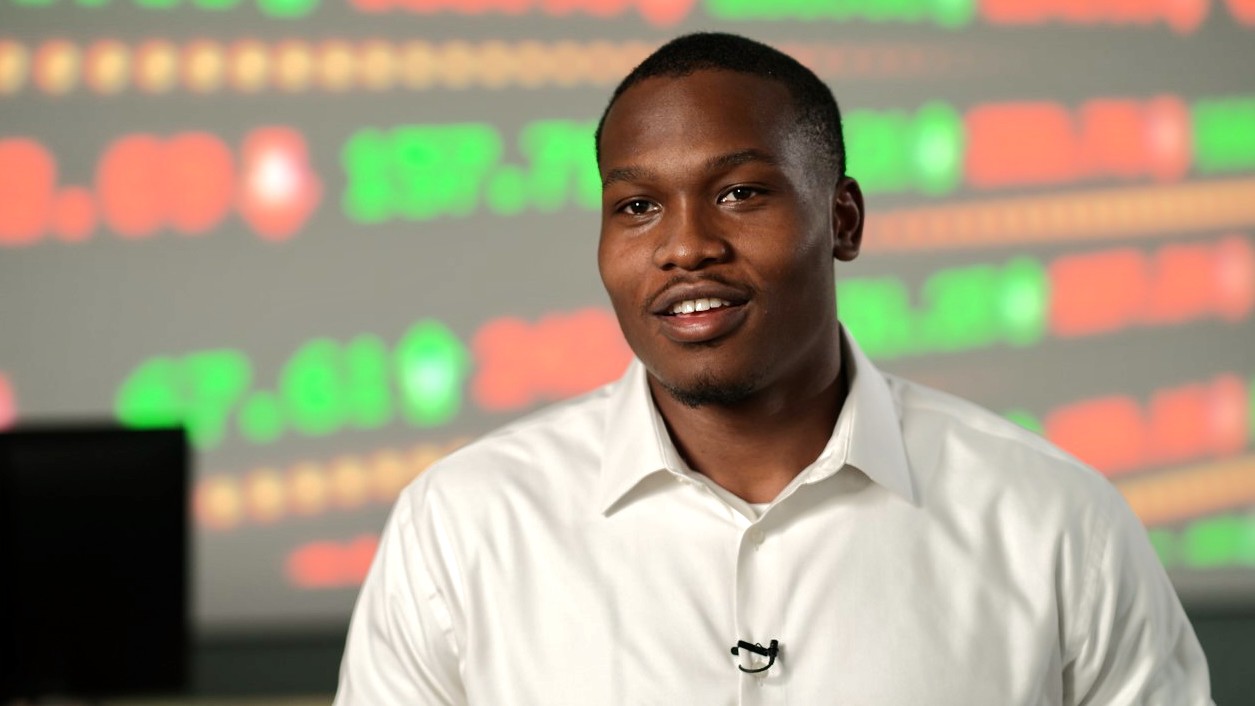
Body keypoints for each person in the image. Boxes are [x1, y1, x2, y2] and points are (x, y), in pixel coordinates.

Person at [334, 32, 1212, 704]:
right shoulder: (463, 525)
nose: (685, 246)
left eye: (739, 193)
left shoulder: (1054, 521)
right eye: (636, 206)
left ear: (843, 221)